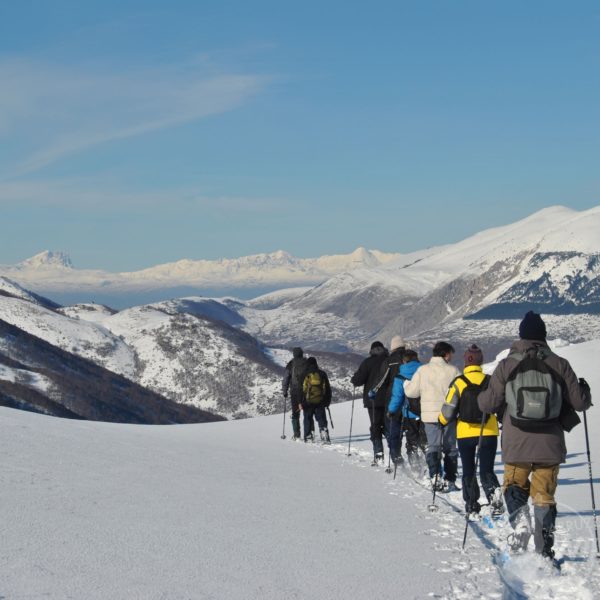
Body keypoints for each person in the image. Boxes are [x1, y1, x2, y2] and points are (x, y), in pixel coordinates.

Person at [478, 311, 591, 560]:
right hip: (549, 444)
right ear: (543, 336)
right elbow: (580, 403)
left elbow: (488, 403)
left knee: (514, 485)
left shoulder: (507, 365)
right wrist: (585, 391)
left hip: (516, 442)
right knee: (544, 495)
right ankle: (544, 550)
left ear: (521, 335)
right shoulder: (560, 364)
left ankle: (520, 524)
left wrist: (482, 396)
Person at [439, 344, 503, 517]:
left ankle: (471, 503)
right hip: (488, 431)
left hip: (465, 433)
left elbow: (448, 410)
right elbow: (500, 404)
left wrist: (441, 422)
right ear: (480, 361)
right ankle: (493, 495)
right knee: (486, 469)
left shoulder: (459, 382)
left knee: (468, 470)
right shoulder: (490, 381)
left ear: (466, 362)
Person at [404, 341, 460, 491]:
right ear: (446, 354)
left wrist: (405, 384)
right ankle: (450, 479)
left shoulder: (423, 370)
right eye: (451, 354)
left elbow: (411, 392)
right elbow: (461, 392)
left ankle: (435, 475)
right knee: (450, 448)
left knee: (433, 446)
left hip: (429, 416)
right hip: (449, 415)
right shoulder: (453, 371)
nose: (452, 357)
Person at [350, 341, 390, 465]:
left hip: (373, 401)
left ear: (372, 350)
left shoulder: (367, 362)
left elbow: (358, 380)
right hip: (389, 399)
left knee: (375, 426)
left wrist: (354, 379)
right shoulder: (389, 361)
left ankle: (378, 454)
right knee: (388, 427)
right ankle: (395, 452)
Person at [388, 349, 427, 470]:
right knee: (425, 439)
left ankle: (415, 464)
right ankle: (429, 463)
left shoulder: (400, 376)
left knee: (412, 440)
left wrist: (391, 410)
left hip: (409, 413)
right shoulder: (425, 372)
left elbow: (397, 396)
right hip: (426, 411)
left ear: (404, 361)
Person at [375, 336, 407, 464]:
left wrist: (373, 392)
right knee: (411, 430)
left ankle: (396, 455)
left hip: (392, 400)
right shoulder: (410, 359)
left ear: (393, 347)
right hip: (411, 400)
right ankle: (415, 456)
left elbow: (381, 381)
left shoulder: (389, 361)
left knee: (393, 429)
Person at [301, 357, 332, 443]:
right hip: (320, 401)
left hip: (307, 401)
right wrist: (327, 401)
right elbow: (328, 389)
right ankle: (324, 434)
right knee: (321, 418)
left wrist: (300, 402)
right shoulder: (322, 374)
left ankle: (308, 435)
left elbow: (301, 390)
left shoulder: (304, 374)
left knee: (308, 418)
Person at [282, 347, 309, 440]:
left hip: (294, 391)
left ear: (294, 354)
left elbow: (286, 378)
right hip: (306, 391)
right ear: (302, 353)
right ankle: (309, 434)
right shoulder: (307, 362)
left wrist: (284, 391)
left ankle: (297, 434)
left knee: (295, 412)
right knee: (307, 412)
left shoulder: (291, 364)